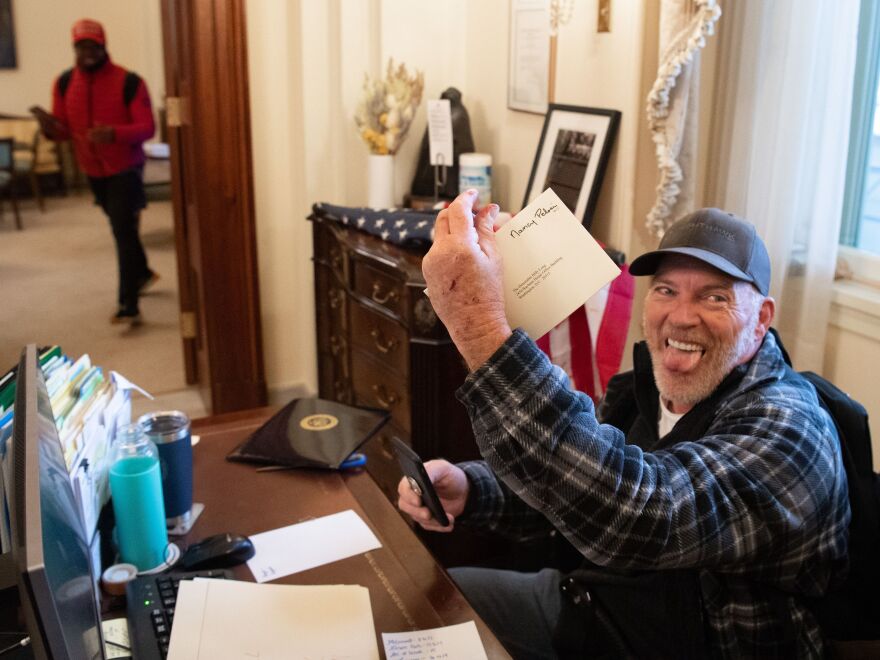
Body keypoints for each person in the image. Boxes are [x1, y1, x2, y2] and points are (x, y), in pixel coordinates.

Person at [397, 190, 850, 658]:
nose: (680, 316)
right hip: (593, 610)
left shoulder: (790, 427)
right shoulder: (644, 389)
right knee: (427, 613)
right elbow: (578, 488)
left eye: (714, 297)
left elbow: (639, 519)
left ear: (761, 320)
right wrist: (471, 490)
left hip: (691, 646)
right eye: (666, 290)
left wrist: (479, 323)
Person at [32, 18, 157, 325]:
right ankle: (142, 272)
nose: (87, 52)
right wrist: (49, 128)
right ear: (74, 48)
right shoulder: (63, 83)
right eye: (81, 46)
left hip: (125, 168)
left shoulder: (130, 81)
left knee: (121, 231)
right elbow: (64, 131)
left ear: (103, 47)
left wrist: (113, 133)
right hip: (92, 169)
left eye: (93, 46)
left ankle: (128, 304)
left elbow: (148, 128)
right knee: (122, 226)